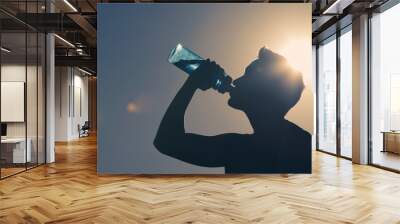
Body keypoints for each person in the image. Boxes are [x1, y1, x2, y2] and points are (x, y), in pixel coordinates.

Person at [154, 47, 311, 173]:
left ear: (266, 90)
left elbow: (167, 142)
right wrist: (192, 83)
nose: (236, 80)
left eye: (247, 75)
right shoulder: (238, 147)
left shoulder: (240, 149)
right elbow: (167, 142)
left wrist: (192, 84)